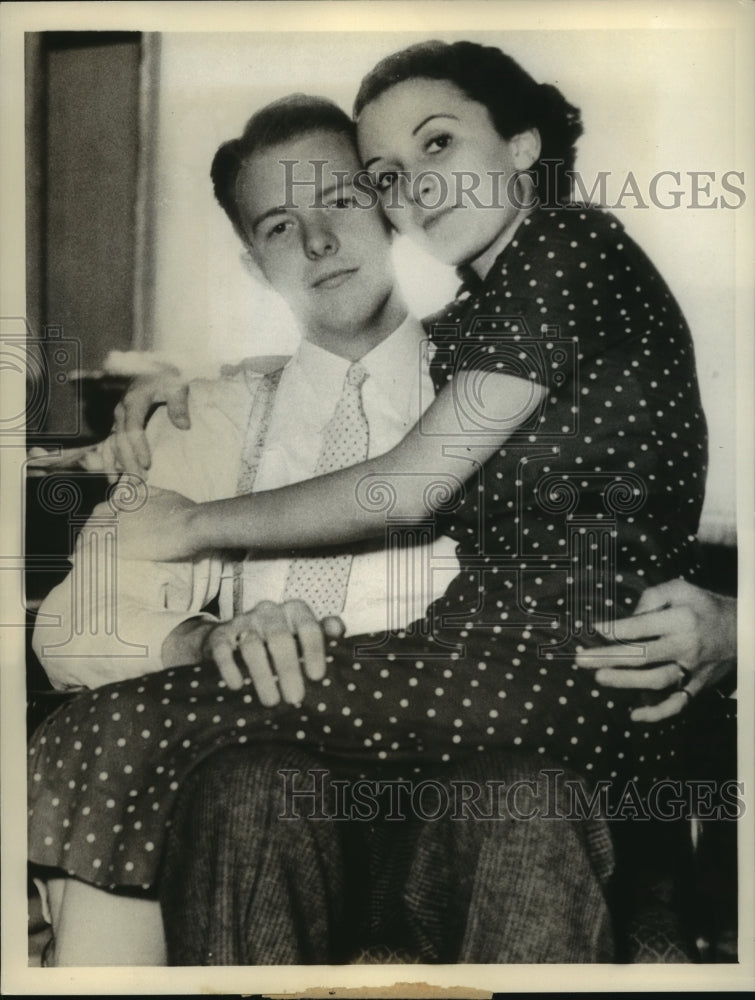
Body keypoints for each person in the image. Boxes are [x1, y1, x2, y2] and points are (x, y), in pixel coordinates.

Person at [28, 39, 715, 958]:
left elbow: (430, 487)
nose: (315, 241)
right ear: (250, 263)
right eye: (278, 226)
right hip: (279, 823)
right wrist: (208, 639)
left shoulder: (499, 342)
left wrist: (732, 622)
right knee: (233, 778)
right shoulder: (207, 414)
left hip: (491, 783)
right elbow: (72, 624)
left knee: (514, 796)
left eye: (344, 199)